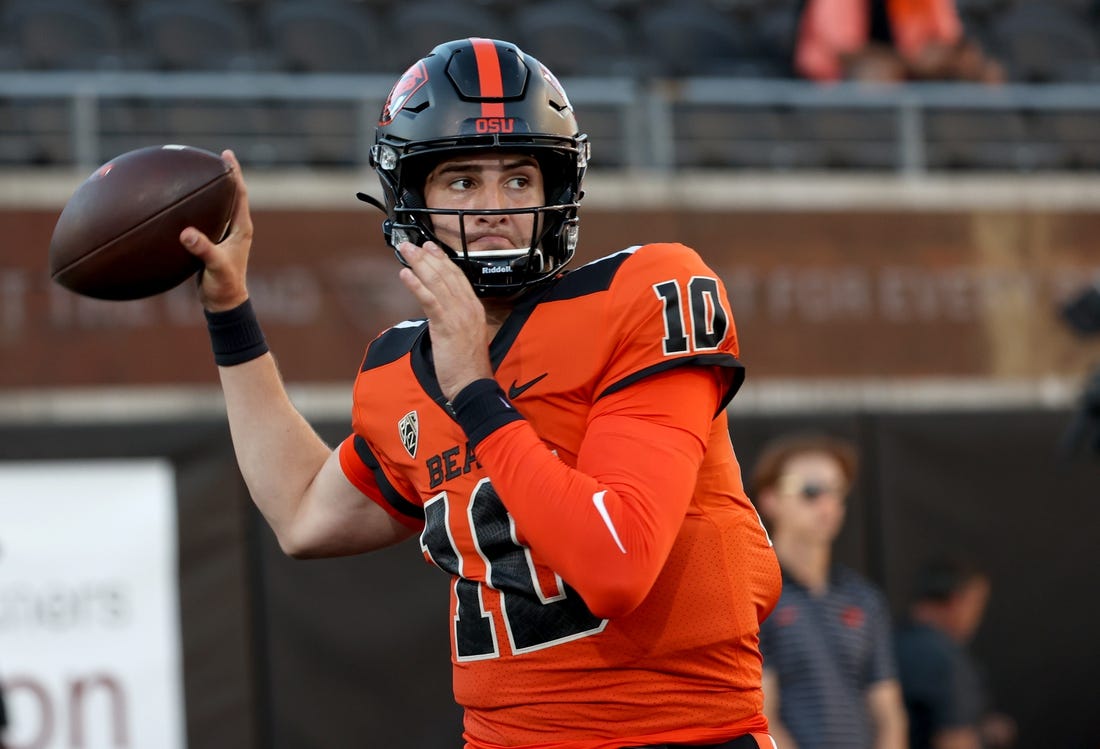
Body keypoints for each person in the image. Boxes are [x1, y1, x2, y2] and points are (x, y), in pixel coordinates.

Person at [179, 38, 782, 749]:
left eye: (519, 179)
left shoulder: (643, 295)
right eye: (462, 181)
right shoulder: (398, 370)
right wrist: (229, 308)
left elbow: (617, 565)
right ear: (414, 198)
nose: (494, 206)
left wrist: (475, 388)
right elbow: (303, 512)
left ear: (555, 189)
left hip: (681, 734)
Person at [750, 432, 908, 749]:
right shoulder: (755, 594)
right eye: (810, 490)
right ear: (770, 499)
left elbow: (889, 715)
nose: (828, 503)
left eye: (838, 491)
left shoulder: (865, 599)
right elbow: (760, 715)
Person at [894, 556, 1017, 749]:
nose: (977, 615)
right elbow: (954, 740)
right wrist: (984, 737)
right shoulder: (944, 658)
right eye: (976, 603)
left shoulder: (888, 642)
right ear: (955, 601)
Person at [795, 0, 1004, 84]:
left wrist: (954, 59)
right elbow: (842, 53)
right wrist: (911, 64)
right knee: (875, 76)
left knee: (983, 73)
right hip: (832, 88)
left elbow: (947, 40)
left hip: (912, 80)